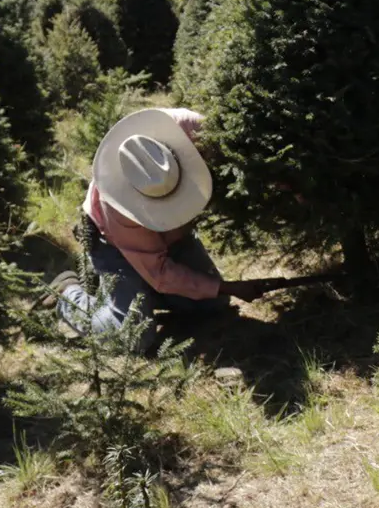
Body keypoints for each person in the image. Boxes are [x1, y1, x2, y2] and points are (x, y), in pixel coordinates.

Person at [52, 107, 265, 353]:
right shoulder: (120, 211)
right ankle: (68, 294)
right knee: (132, 336)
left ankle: (132, 294)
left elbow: (237, 144)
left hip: (170, 239)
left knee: (212, 303)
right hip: (116, 246)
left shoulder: (185, 128)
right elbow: (160, 273)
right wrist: (230, 286)